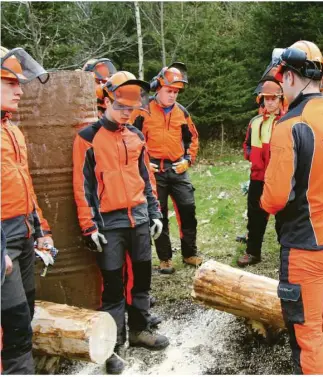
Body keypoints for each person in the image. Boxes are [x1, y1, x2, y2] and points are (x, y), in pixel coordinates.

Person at [261, 40, 323, 374]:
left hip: (307, 246)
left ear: (290, 77)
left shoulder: (290, 126)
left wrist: (263, 199)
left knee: (308, 329)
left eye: (281, 81)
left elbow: (274, 198)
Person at [72, 71, 169, 374]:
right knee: (113, 287)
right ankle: (113, 344)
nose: (128, 113)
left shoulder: (136, 136)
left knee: (141, 280)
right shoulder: (87, 137)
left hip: (139, 217)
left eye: (132, 109)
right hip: (108, 222)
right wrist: (89, 226)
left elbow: (146, 178)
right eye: (122, 107)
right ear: (107, 102)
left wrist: (155, 213)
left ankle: (140, 330)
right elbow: (82, 185)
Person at [1, 46, 53, 374]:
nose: (20, 89)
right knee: (12, 324)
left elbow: (25, 186)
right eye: (10, 82)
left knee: (24, 315)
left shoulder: (12, 130)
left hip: (22, 232)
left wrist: (41, 229)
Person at [130, 62, 201, 274]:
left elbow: (192, 139)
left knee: (188, 210)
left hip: (177, 168)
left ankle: (189, 253)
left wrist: (188, 160)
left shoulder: (182, 113)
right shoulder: (143, 112)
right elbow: (132, 139)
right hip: (154, 171)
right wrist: (142, 164)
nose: (173, 95)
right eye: (169, 91)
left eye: (176, 92)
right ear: (158, 88)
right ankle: (165, 258)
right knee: (158, 214)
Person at [237, 78, 286, 267]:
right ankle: (252, 252)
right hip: (258, 177)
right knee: (255, 216)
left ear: (280, 99)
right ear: (262, 100)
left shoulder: (286, 122)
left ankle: (287, 255)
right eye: (267, 99)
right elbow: (247, 145)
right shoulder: (255, 122)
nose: (270, 102)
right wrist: (253, 158)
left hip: (279, 178)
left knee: (283, 218)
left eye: (274, 98)